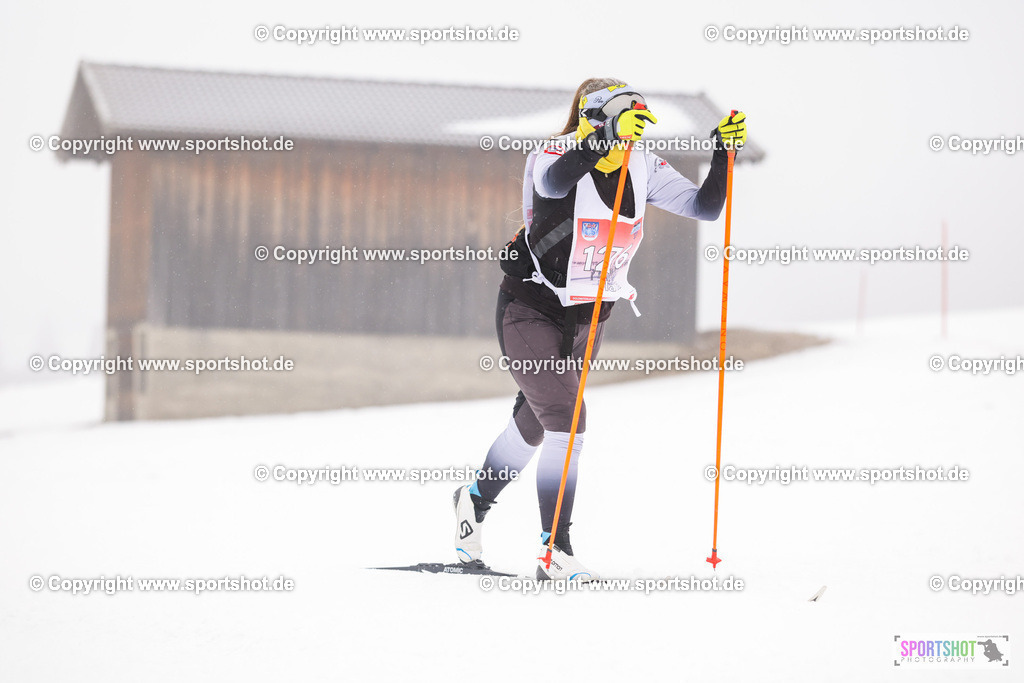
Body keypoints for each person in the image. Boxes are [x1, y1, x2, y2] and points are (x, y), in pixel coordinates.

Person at [453, 78, 747, 580]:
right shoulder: (553, 152)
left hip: (588, 320)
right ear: (595, 118)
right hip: (529, 309)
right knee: (567, 417)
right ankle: (556, 550)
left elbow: (705, 207)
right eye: (621, 120)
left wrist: (721, 154)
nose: (632, 132)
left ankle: (472, 500)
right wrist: (601, 139)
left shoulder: (643, 164)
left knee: (534, 425)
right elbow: (553, 185)